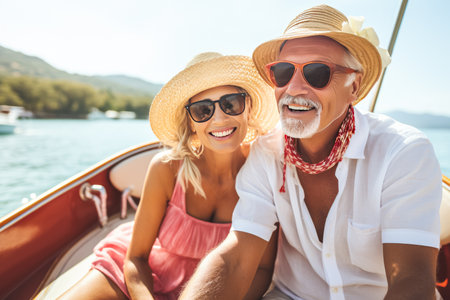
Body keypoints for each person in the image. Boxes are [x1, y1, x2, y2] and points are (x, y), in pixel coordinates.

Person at [181, 5, 443, 300]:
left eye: (317, 73)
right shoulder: (265, 153)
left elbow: (410, 279)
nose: (294, 88)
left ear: (354, 86)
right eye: (282, 72)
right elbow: (236, 256)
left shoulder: (402, 153)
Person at [58, 52, 279, 300]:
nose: (219, 118)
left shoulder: (266, 170)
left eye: (231, 104)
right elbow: (135, 258)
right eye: (203, 109)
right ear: (191, 121)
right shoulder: (167, 168)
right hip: (144, 277)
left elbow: (262, 269)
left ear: (248, 107)